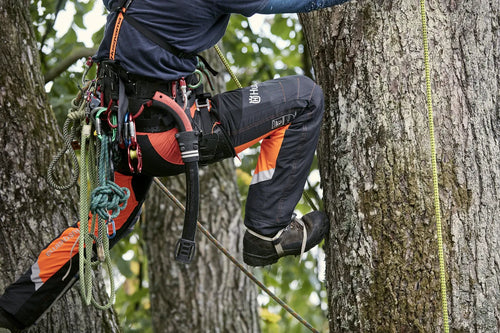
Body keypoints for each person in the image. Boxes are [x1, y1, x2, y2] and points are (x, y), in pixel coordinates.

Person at [0, 0, 351, 331]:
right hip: (165, 135)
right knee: (305, 98)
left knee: (98, 231)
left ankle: (9, 313)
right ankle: (266, 232)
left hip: (121, 134)